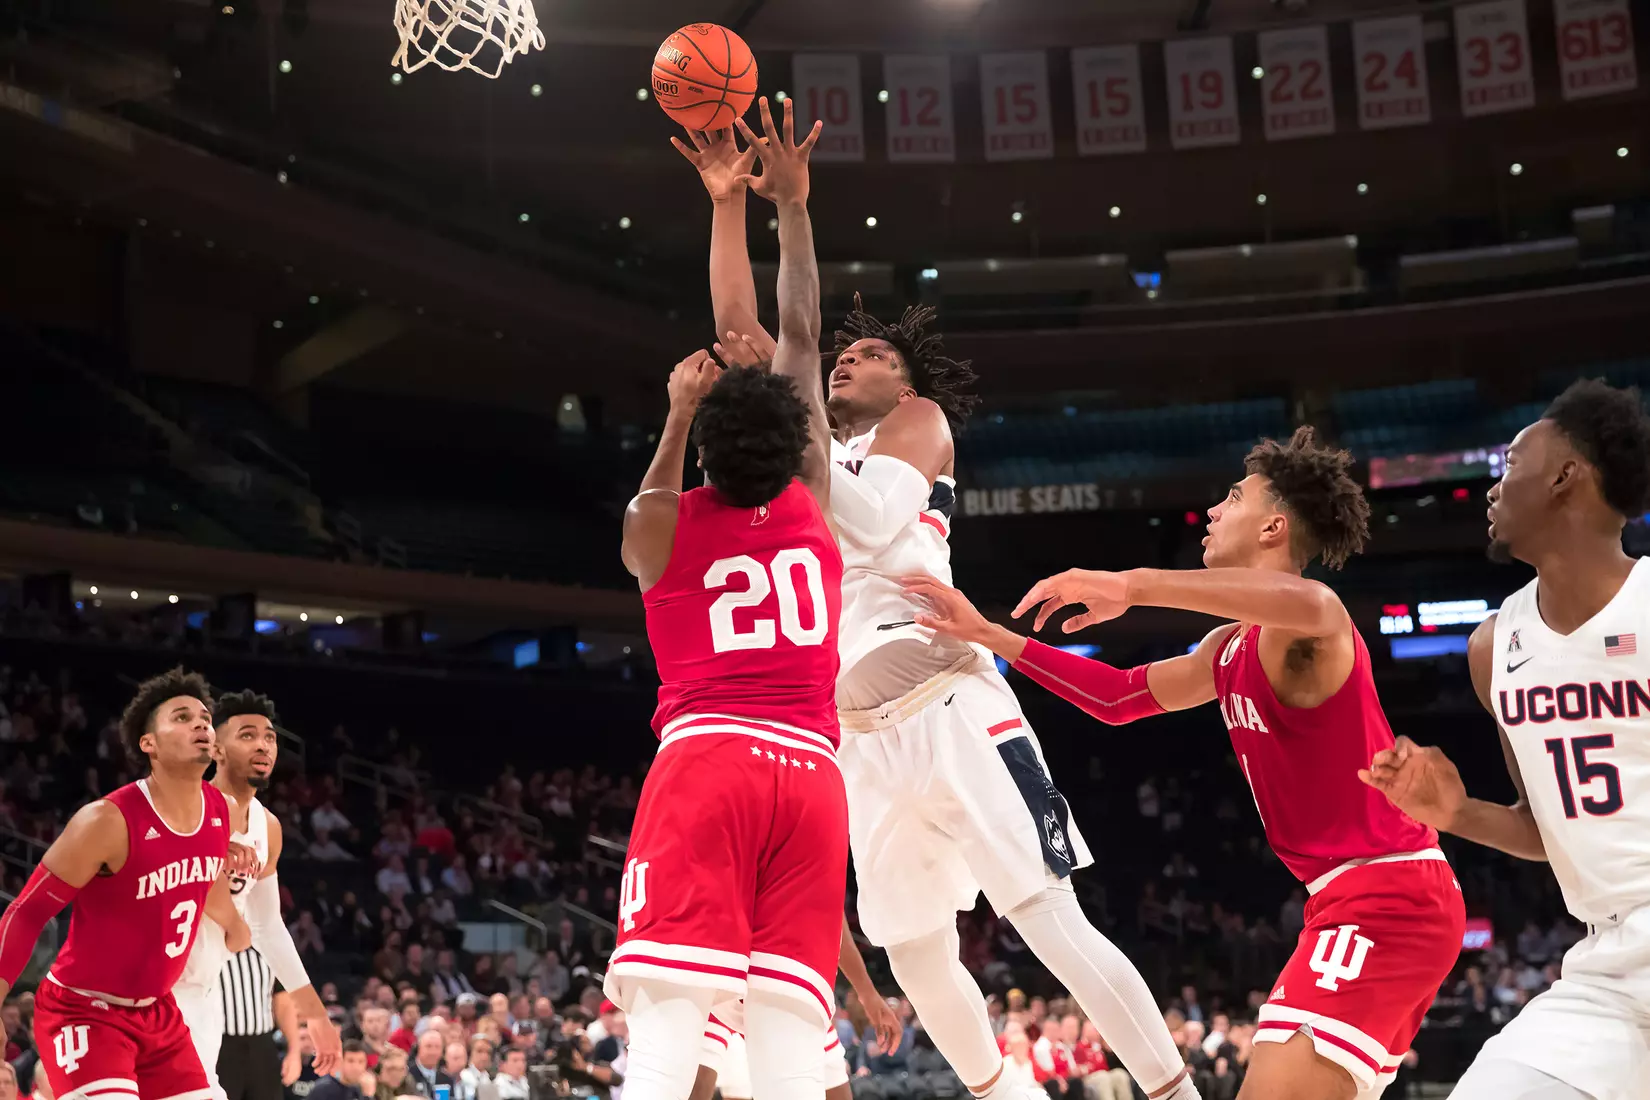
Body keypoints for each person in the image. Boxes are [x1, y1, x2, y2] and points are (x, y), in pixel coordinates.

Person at [680, 108, 1196, 1100]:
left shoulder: (915, 422)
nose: (846, 357)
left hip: (954, 703)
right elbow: (762, 329)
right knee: (916, 953)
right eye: (845, 353)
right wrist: (732, 204)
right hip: (858, 739)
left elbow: (873, 524)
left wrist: (799, 212)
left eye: (869, 353)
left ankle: (1176, 1092)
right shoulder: (809, 440)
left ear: (906, 381)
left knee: (1052, 921)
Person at [904, 426, 1467, 1100]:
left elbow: (1313, 604)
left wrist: (1132, 586)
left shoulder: (1315, 622)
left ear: (1274, 528)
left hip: (1388, 896)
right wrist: (995, 637)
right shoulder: (1226, 648)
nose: (1214, 511)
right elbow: (1117, 699)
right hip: (1341, 900)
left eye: (1234, 497)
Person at [605, 96, 845, 1100]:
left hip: (709, 761)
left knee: (664, 1033)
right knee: (790, 1046)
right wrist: (786, 207)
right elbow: (793, 327)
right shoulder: (816, 495)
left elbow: (646, 508)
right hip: (814, 774)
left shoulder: (668, 523)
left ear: (702, 448)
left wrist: (675, 411)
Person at [1361, 379, 1650, 1100]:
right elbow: (1542, 830)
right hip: (1608, 967)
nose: (1493, 486)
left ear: (1566, 476)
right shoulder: (1496, 646)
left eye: (1511, 464)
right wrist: (1454, 813)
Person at [0, 668, 258, 1100]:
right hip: (84, 1010)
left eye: (204, 718)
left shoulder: (221, 810)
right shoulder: (106, 821)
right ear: (149, 744)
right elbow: (28, 912)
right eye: (181, 717)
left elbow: (202, 876)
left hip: (159, 1013)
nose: (200, 724)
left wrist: (233, 922)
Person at [176, 690, 342, 1100]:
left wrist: (315, 1015)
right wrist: (233, 921)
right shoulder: (186, 805)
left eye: (269, 737)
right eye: (247, 735)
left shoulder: (267, 828)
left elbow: (268, 927)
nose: (263, 745)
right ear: (216, 748)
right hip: (157, 985)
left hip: (204, 993)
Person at [405, 1030, 455, 1100]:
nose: (433, 1052)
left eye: (437, 1047)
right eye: (428, 1046)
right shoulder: (407, 1074)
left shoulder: (447, 1080)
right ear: (418, 1048)